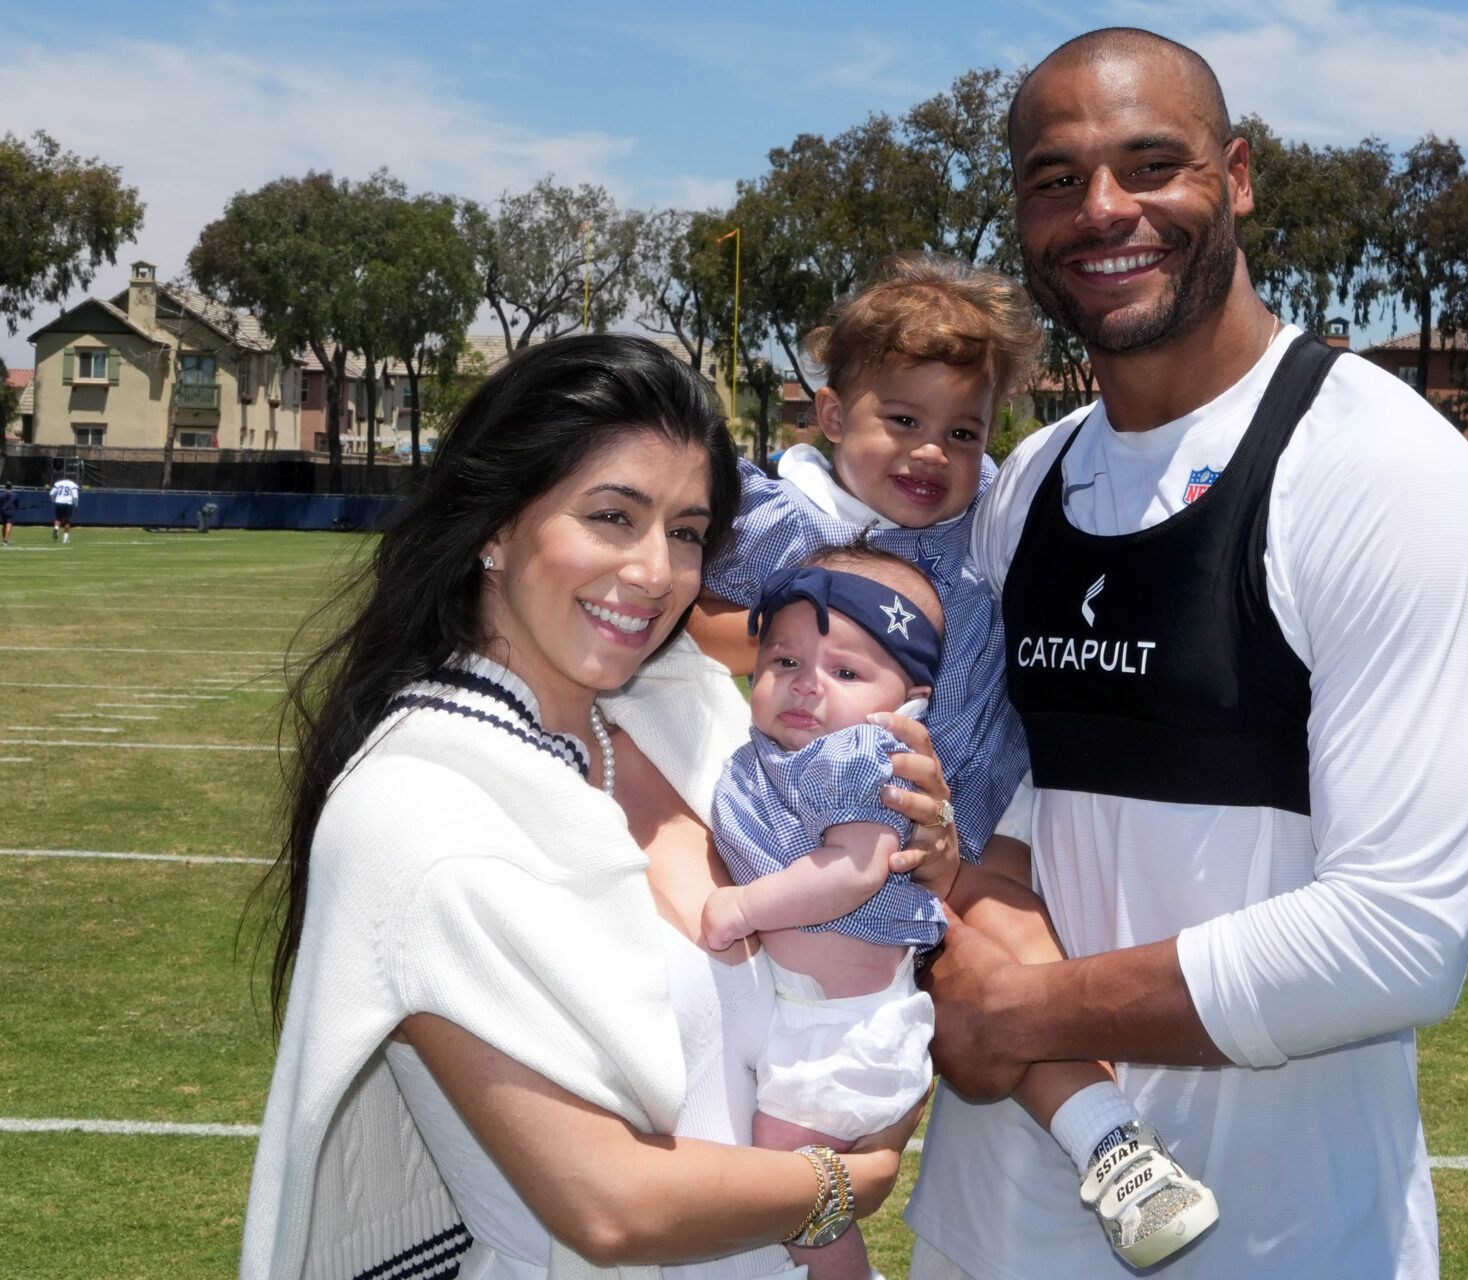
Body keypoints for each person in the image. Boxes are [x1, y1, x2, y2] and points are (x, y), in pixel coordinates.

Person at [908, 27, 1468, 1280]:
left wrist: (1022, 1007)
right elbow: (1012, 797)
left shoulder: (1375, 468)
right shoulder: (1031, 475)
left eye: (1151, 165)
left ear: (1235, 176)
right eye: (1056, 179)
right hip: (995, 1234)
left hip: (1278, 1239)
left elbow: (1401, 936)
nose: (1105, 210)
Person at [241, 334, 955, 1280]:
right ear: (496, 525)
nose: (656, 572)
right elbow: (608, 1206)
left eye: (688, 531)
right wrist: (844, 1186)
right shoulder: (417, 808)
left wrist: (918, 860)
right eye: (613, 515)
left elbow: (834, 980)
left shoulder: (696, 713)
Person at [689, 254, 1218, 1268]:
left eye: (963, 431)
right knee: (916, 997)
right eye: (903, 419)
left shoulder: (982, 530)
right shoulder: (785, 520)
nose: (932, 450)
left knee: (1015, 947)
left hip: (969, 813)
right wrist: (811, 663)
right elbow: (698, 611)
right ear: (832, 415)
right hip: (832, 816)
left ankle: (1113, 1145)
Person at [702, 546, 949, 1280]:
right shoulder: (773, 758)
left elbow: (856, 866)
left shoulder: (861, 754)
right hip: (819, 1025)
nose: (807, 687)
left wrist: (743, 907)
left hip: (845, 1035)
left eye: (845, 673)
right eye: (783, 663)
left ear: (909, 702)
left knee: (787, 1184)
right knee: (790, 1191)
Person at [49, 475, 78, 543]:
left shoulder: (59, 483)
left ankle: (56, 529)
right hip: (68, 504)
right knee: (66, 522)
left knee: (58, 519)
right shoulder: (73, 485)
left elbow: (51, 493)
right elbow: (75, 496)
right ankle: (65, 539)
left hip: (58, 503)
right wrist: (76, 505)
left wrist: (54, 501)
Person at [1, 482, 16, 547]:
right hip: (10, 512)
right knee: (9, 525)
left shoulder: (1, 495)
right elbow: (17, 504)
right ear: (11, 487)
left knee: (4, 525)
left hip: (3, 511)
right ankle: (5, 541)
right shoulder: (15, 495)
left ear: (5, 487)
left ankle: (4, 539)